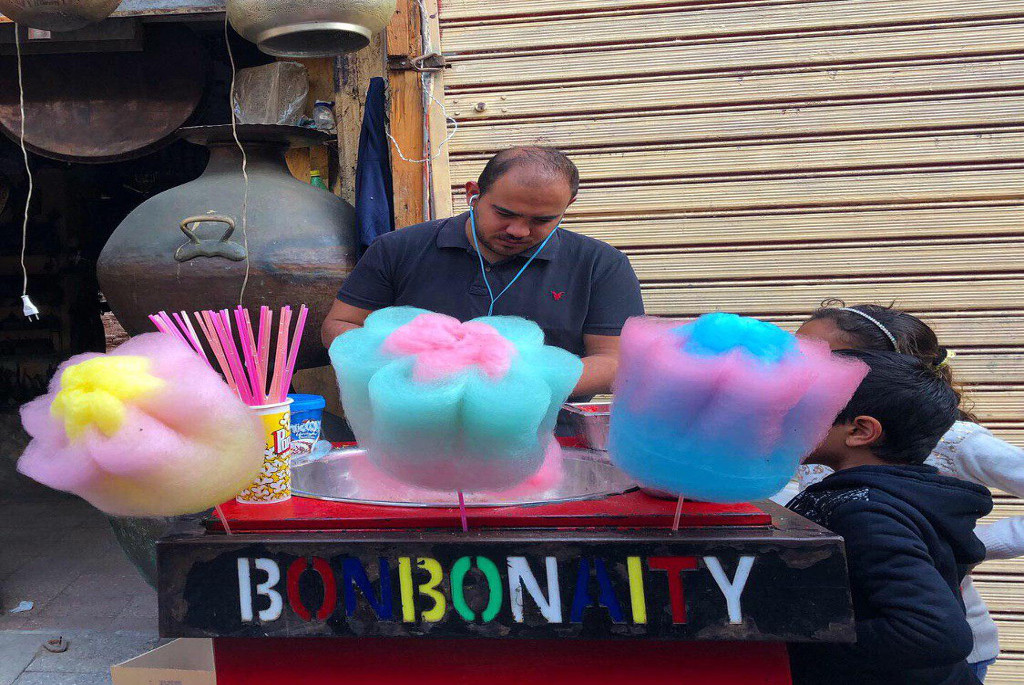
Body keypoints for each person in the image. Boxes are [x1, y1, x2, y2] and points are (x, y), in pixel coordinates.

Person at [785, 301, 1024, 682]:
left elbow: (932, 632)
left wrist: (784, 644)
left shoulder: (871, 504)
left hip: (913, 660)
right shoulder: (844, 466)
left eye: (819, 366)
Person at [321, 146, 645, 398]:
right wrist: (410, 360)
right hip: (412, 432)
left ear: (568, 205)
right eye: (504, 213)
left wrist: (516, 382)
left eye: (541, 220)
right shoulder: (396, 249)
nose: (518, 230)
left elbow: (615, 363)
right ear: (473, 193)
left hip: (543, 440)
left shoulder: (601, 265)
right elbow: (340, 324)